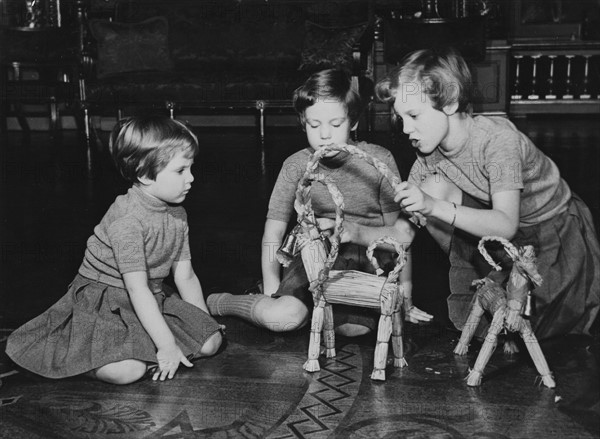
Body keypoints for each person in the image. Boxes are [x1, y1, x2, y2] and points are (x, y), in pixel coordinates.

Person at [368, 48, 599, 340]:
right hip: (503, 234)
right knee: (433, 188)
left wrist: (433, 206)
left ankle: (513, 282)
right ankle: (488, 273)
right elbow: (401, 233)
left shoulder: (499, 141)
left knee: (523, 326)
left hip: (553, 230)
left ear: (450, 102)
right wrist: (350, 231)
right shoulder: (429, 152)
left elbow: (505, 224)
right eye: (400, 118)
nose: (405, 129)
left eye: (413, 115)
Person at [207, 69, 432, 336]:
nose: (325, 134)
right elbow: (273, 232)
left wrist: (405, 292)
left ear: (353, 122)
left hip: (367, 257)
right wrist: (271, 284)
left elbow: (400, 238)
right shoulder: (295, 165)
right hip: (314, 257)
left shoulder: (379, 160)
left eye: (336, 125)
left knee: (354, 329)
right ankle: (225, 302)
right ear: (303, 122)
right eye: (314, 125)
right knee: (283, 319)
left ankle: (320, 311)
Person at [6, 116, 223, 384]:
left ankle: (146, 347)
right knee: (128, 372)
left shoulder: (177, 214)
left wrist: (203, 321)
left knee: (211, 342)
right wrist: (167, 345)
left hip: (148, 297)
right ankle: (79, 360)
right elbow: (136, 289)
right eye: (181, 170)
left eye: (191, 168)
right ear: (144, 174)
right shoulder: (127, 220)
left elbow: (185, 275)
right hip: (106, 302)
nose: (191, 178)